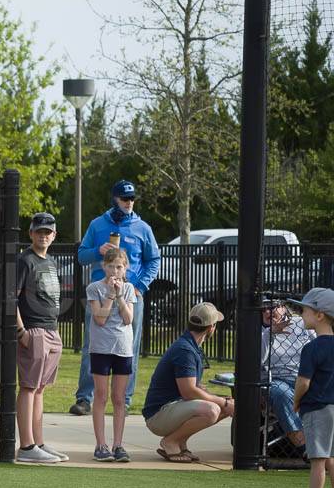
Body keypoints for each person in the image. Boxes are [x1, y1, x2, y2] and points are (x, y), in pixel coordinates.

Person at [70, 179, 160, 416]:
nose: (129, 203)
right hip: (100, 291)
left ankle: (125, 400)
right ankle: (84, 398)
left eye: (131, 198)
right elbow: (81, 256)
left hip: (131, 292)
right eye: (124, 198)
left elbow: (154, 260)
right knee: (92, 342)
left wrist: (139, 287)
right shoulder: (98, 224)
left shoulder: (143, 228)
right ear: (115, 199)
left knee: (130, 345)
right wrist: (96, 251)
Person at [141, 302, 234, 462]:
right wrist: (223, 402)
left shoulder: (190, 346)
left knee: (223, 406)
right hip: (158, 416)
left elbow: (192, 389)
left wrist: (225, 402)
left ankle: (180, 442)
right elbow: (189, 392)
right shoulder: (185, 350)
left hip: (170, 409)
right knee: (212, 409)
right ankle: (170, 442)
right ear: (211, 327)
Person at [15, 213, 68, 463]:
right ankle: (26, 447)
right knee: (28, 387)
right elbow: (11, 298)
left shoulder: (51, 262)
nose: (43, 235)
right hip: (33, 330)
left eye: (48, 232)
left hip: (51, 330)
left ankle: (39, 443)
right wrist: (21, 332)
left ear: (54, 235)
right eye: (39, 231)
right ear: (31, 233)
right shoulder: (24, 261)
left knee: (40, 389)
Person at [283, 288, 334, 488]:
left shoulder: (312, 348)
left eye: (305, 309)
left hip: (317, 408)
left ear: (320, 315)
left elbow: (303, 382)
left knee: (318, 461)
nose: (301, 313)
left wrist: (295, 401)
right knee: (331, 458)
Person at [86, 247, 137, 462]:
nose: (115, 271)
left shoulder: (128, 288)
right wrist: (109, 295)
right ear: (104, 267)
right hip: (101, 347)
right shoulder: (94, 288)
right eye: (111, 266)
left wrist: (120, 297)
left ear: (125, 268)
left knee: (119, 397)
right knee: (101, 395)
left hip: (122, 348)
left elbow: (128, 319)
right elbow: (100, 318)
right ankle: (101, 444)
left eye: (119, 266)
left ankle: (118, 444)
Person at [261, 303, 315, 451]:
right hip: (275, 379)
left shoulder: (301, 324)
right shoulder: (258, 330)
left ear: (283, 307)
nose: (267, 311)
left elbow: (318, 347)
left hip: (307, 376)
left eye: (272, 307)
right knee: (281, 393)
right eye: (263, 309)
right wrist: (270, 333)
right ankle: (305, 448)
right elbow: (257, 360)